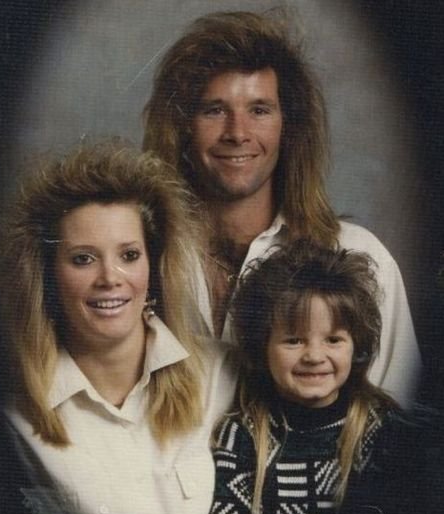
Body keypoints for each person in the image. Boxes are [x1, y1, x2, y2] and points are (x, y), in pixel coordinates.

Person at [142, 10, 421, 406]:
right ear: (182, 127)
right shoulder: (137, 259)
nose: (237, 133)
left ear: (288, 128)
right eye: (214, 110)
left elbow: (399, 415)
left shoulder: (360, 255)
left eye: (259, 110)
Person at [0, 140, 235, 514]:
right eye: (83, 259)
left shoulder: (221, 374)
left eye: (129, 255)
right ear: (48, 276)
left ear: (153, 267)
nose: (109, 278)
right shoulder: (9, 410)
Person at [208, 242, 421, 514]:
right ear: (262, 346)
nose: (314, 356)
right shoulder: (242, 436)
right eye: (294, 340)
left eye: (333, 339)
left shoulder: (385, 432)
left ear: (356, 346)